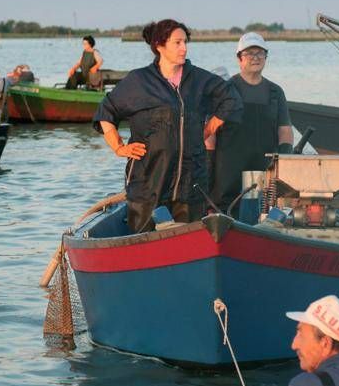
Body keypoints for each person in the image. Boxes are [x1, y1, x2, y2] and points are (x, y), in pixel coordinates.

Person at [93, 19, 242, 233]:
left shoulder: (199, 79)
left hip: (191, 185)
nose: (184, 48)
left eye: (185, 42)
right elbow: (106, 111)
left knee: (188, 246)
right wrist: (118, 147)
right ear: (160, 46)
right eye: (177, 43)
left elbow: (231, 99)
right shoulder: (139, 81)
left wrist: (209, 128)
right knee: (143, 247)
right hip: (148, 184)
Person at [208, 32, 294, 211]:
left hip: (263, 170)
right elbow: (210, 132)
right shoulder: (225, 90)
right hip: (227, 172)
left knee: (259, 211)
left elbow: (285, 130)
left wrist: (284, 159)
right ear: (239, 59)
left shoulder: (275, 92)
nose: (255, 58)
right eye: (249, 53)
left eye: (260, 53)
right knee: (225, 212)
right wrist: (208, 166)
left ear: (265, 57)